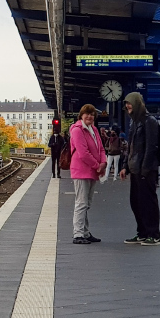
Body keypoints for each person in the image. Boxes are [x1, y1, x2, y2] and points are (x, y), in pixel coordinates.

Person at [123, 92, 160, 245]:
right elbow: (131, 147)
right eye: (126, 104)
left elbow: (151, 147)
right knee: (136, 202)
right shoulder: (135, 122)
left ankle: (154, 234)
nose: (128, 106)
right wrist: (125, 167)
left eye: (130, 103)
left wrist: (146, 169)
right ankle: (142, 232)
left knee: (148, 202)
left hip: (145, 169)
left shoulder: (149, 121)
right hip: (135, 169)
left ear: (137, 103)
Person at [69, 104, 107, 244]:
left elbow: (101, 149)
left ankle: (84, 232)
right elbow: (83, 153)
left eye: (92, 114)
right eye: (87, 114)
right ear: (81, 115)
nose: (89, 116)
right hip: (81, 170)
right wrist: (98, 166)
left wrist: (103, 163)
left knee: (87, 203)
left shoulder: (94, 129)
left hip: (92, 171)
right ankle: (78, 234)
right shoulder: (77, 130)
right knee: (81, 202)